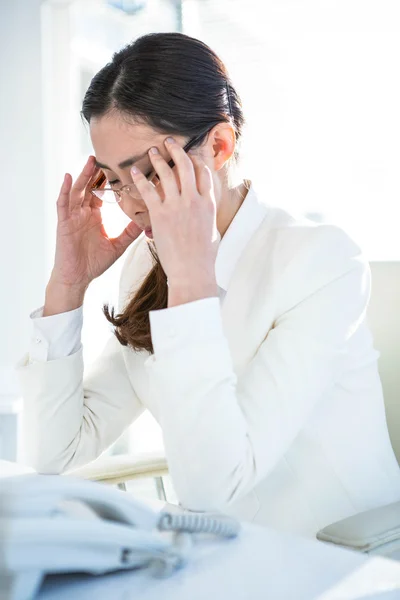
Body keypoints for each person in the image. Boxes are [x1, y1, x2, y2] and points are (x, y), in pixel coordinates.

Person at [16, 32, 400, 539]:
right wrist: (67, 286)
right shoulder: (144, 267)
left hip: (346, 562)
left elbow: (215, 487)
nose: (130, 202)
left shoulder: (322, 262)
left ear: (218, 146)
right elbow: (53, 453)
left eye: (149, 172)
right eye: (112, 180)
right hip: (226, 560)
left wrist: (191, 279)